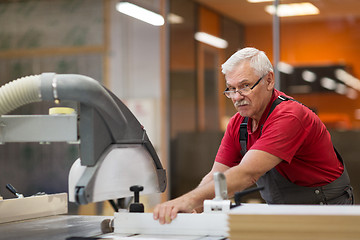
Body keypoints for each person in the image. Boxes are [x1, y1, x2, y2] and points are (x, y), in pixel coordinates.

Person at [153, 47, 354, 224]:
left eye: (245, 86)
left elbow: (247, 174)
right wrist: (192, 208)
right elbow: (217, 177)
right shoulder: (238, 123)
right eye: (231, 89)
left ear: (269, 80)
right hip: (285, 216)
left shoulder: (290, 117)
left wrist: (189, 200)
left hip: (326, 215)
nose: (237, 97)